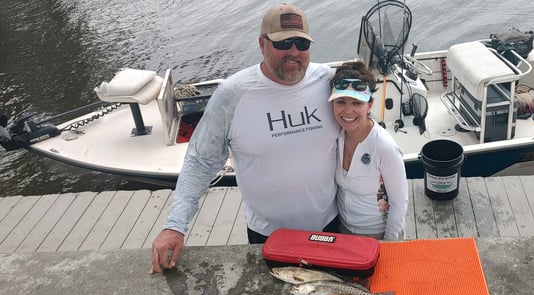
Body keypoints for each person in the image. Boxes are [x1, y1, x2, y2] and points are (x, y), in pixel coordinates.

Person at [150, 4, 340, 274]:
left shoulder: (329, 81)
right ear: (262, 44)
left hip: (330, 226)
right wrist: (175, 226)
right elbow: (200, 162)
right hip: (269, 236)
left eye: (302, 43)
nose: (294, 52)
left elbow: (365, 135)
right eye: (284, 42)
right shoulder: (233, 94)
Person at [329, 61, 408, 240]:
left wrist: (389, 245)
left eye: (357, 103)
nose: (348, 111)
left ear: (370, 105)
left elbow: (399, 202)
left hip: (378, 235)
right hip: (343, 231)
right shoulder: (335, 136)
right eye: (340, 102)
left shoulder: (384, 146)